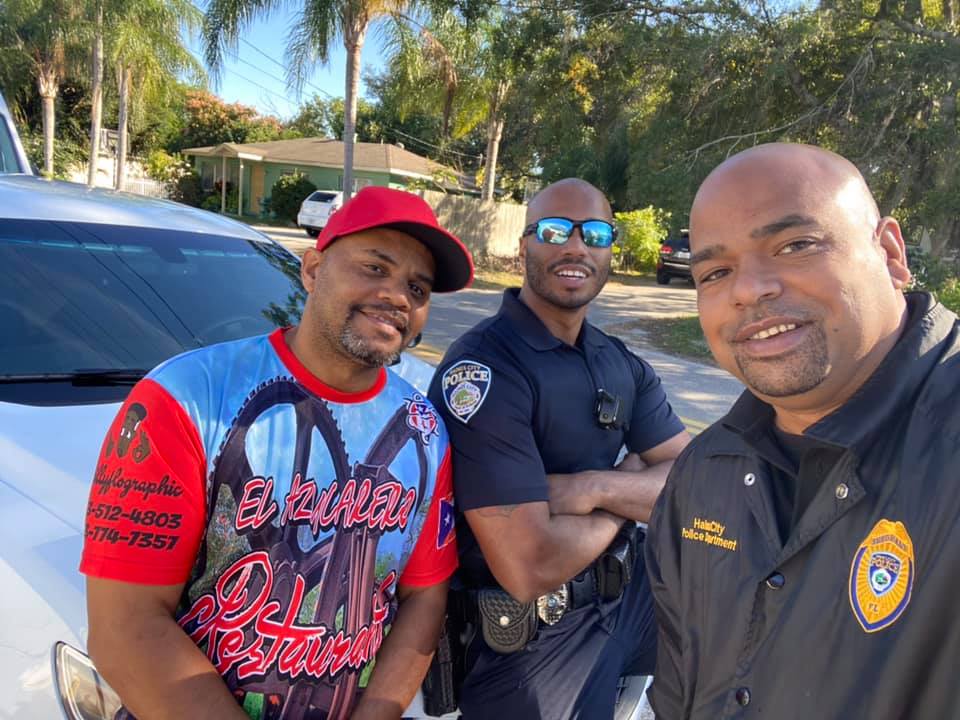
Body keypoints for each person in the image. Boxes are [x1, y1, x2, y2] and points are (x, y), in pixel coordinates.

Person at [80, 186, 474, 720]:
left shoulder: (425, 430)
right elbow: (125, 627)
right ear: (312, 270)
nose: (398, 297)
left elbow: (423, 599)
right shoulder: (187, 398)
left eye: (417, 287)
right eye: (375, 269)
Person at [645, 142, 960, 718]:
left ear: (890, 253)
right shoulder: (704, 472)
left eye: (796, 245)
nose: (749, 289)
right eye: (715, 272)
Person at [427, 178, 690, 719]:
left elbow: (688, 476)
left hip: (628, 605)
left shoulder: (618, 359)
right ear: (524, 247)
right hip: (531, 643)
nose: (576, 247)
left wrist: (592, 488)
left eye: (594, 233)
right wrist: (627, 499)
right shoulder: (486, 367)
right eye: (553, 231)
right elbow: (529, 563)